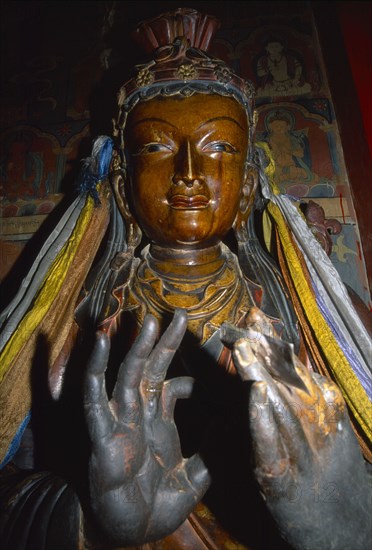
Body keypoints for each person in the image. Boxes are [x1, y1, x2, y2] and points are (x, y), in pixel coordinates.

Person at [0, 8, 371, 550]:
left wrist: (348, 524)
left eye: (219, 146)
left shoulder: (310, 312)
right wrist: (92, 522)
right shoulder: (74, 319)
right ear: (123, 187)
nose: (190, 172)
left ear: (248, 185)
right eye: (157, 146)